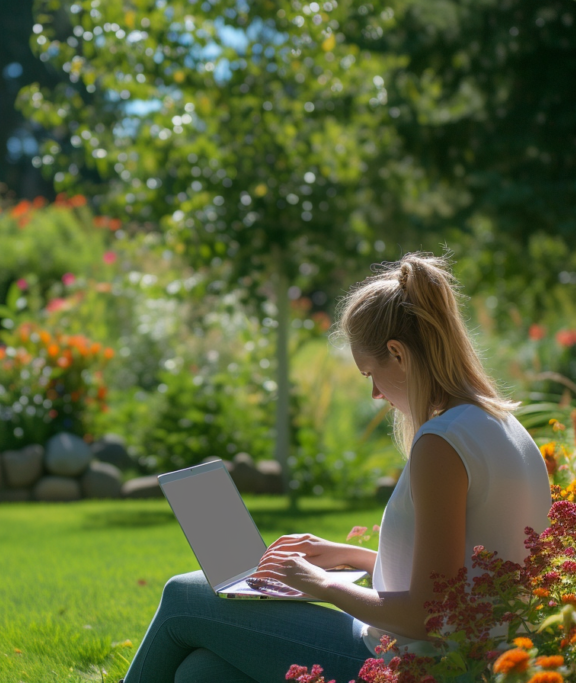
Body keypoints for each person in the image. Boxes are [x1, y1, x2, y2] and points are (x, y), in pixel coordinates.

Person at [121, 253, 552, 683]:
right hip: (469, 659)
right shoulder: (500, 426)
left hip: (415, 667)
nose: (375, 394)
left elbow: (428, 615)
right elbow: (462, 572)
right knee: (202, 674)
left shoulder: (442, 443)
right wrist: (350, 556)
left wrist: (319, 584)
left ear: (398, 354)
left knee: (183, 596)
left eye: (371, 374)